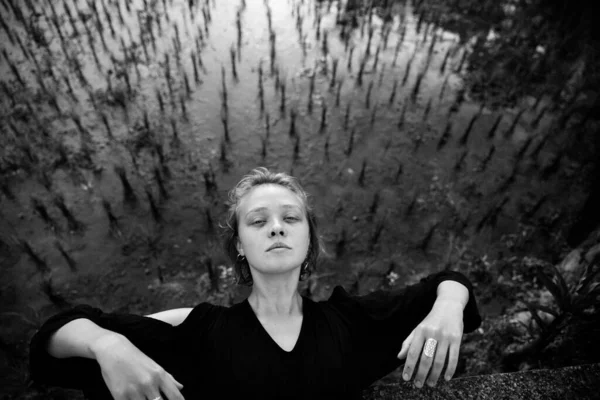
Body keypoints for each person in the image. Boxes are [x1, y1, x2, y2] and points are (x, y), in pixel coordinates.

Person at [29, 167, 482, 400]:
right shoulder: (203, 334)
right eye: (258, 220)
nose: (277, 228)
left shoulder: (350, 323)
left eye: (291, 218)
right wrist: (108, 346)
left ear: (309, 238)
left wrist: (447, 304)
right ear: (241, 246)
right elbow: (54, 338)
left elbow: (448, 283)